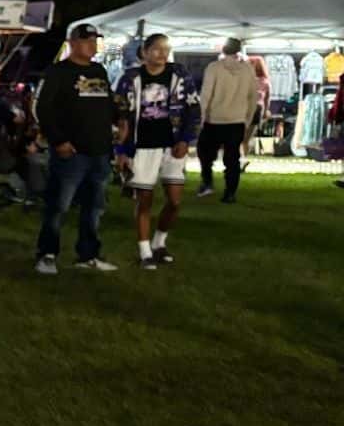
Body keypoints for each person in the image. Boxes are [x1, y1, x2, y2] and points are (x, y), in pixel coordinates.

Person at [34, 23, 121, 274]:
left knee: (94, 206)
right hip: (71, 152)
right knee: (59, 205)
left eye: (95, 41)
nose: (92, 45)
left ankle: (88, 253)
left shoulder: (99, 70)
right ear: (72, 43)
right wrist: (58, 140)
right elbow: (43, 109)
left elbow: (107, 103)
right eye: (87, 41)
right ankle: (47, 254)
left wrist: (119, 120)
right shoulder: (58, 72)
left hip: (99, 150)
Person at [114, 34, 201, 270]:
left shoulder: (179, 75)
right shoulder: (130, 78)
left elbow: (194, 108)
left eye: (166, 49)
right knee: (145, 200)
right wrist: (121, 149)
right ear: (144, 52)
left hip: (171, 145)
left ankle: (159, 242)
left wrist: (186, 139)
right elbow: (120, 115)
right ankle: (145, 252)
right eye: (157, 49)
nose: (162, 53)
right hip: (142, 146)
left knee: (174, 200)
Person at [196, 38, 259, 203]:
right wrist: (247, 118)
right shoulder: (248, 69)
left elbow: (206, 94)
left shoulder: (214, 68)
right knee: (232, 158)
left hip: (214, 119)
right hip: (237, 120)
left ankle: (207, 182)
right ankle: (230, 192)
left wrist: (201, 117)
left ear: (223, 49)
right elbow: (253, 96)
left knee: (205, 154)